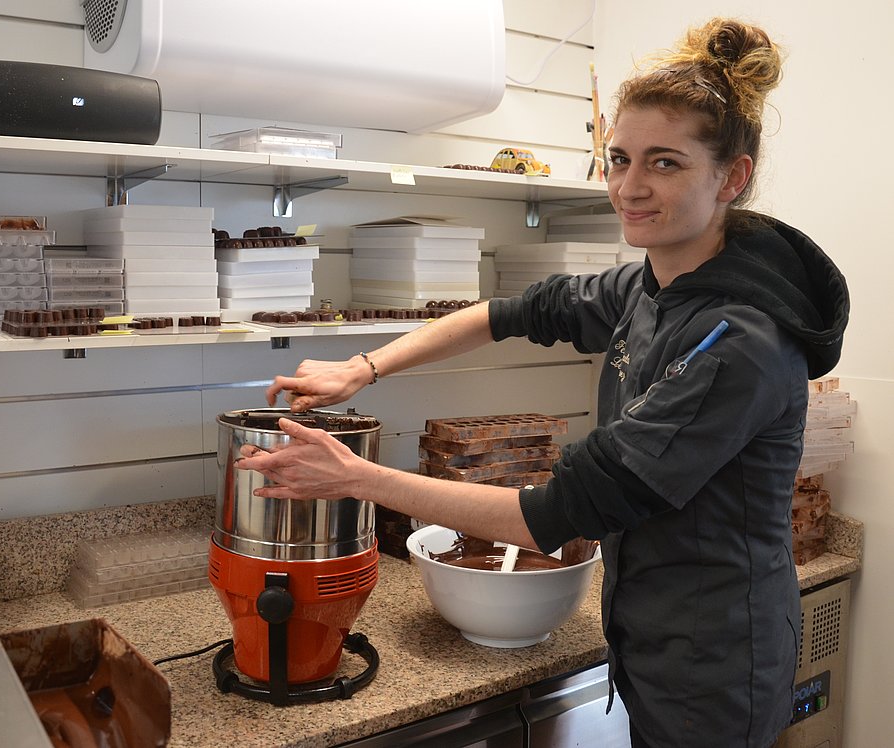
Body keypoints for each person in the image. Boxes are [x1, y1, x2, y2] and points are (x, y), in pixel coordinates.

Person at [235, 17, 849, 748]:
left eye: (665, 163)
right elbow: (508, 312)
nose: (628, 187)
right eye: (619, 159)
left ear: (732, 177)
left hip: (715, 662)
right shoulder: (650, 286)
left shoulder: (738, 342)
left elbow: (555, 514)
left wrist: (355, 477)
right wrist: (362, 368)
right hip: (651, 634)